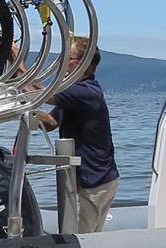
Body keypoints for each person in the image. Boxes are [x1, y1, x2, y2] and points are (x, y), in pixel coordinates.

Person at [38, 37, 119, 233]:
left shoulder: (85, 91)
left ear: (83, 63)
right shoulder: (75, 93)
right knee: (92, 240)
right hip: (100, 179)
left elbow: (38, 94)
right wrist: (24, 111)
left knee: (81, 242)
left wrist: (18, 66)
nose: (63, 62)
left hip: (94, 182)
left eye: (69, 57)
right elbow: (51, 123)